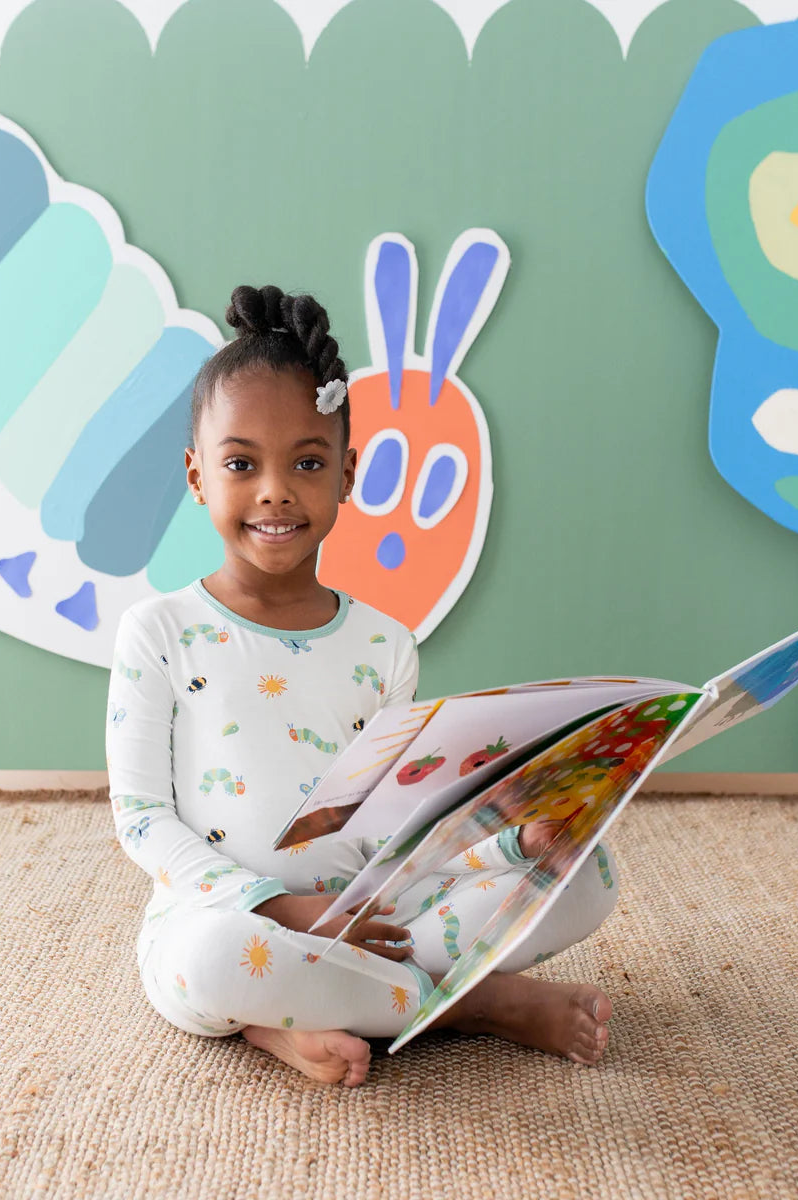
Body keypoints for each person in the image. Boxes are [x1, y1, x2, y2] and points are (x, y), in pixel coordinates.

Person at [105, 285, 617, 1087]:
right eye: (242, 464)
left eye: (307, 463)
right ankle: (477, 1006)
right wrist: (276, 907)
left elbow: (396, 822)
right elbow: (140, 820)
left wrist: (512, 841)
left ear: (346, 474)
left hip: (377, 915)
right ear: (197, 476)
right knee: (209, 965)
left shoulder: (384, 642)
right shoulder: (160, 632)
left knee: (589, 875)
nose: (275, 489)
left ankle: (308, 1017)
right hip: (233, 921)